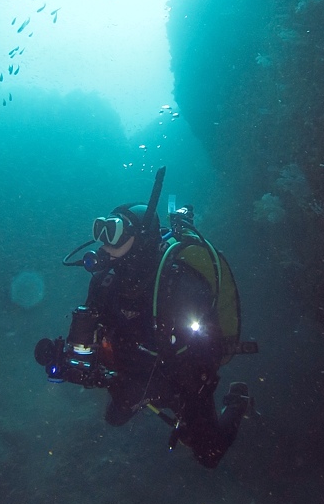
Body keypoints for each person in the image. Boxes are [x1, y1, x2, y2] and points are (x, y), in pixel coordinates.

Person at [34, 167, 257, 468]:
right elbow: (96, 334)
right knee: (115, 417)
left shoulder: (179, 284)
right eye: (101, 233)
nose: (103, 246)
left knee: (208, 453)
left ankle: (239, 401)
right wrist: (69, 356)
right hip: (134, 369)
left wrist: (154, 388)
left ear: (140, 239)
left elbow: (205, 355)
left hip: (181, 376)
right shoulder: (105, 281)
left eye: (113, 235)